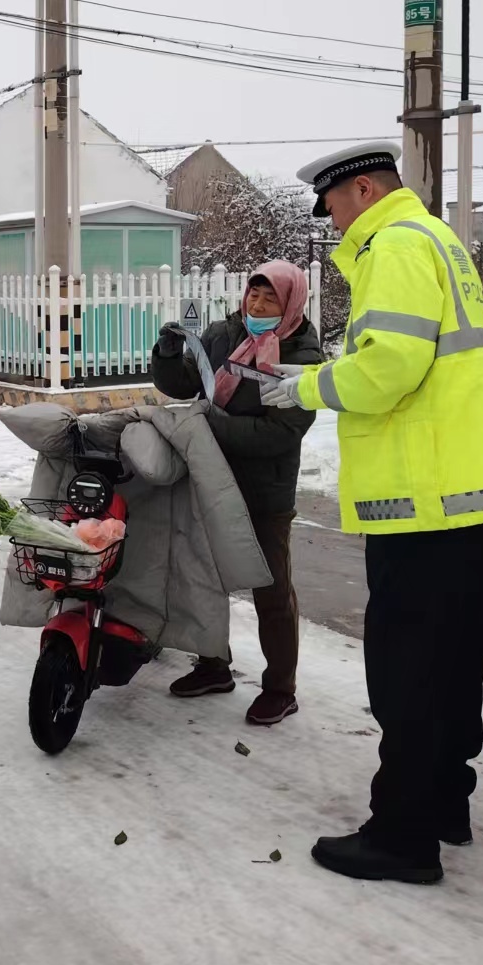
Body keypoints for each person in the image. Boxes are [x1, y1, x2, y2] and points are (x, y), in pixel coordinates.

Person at [262, 140, 483, 885]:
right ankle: (445, 802)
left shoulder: (396, 247)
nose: (335, 224)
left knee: (407, 668)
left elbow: (388, 368)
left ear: (365, 193)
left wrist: (304, 387)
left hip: (424, 498)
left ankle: (402, 836)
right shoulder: (439, 241)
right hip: (466, 489)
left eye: (336, 207)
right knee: (450, 661)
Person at [150, 261, 321, 726]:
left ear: (290, 304)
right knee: (205, 575)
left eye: (270, 299)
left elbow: (280, 433)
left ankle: (280, 688)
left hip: (265, 488)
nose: (257, 305)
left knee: (271, 588)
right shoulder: (225, 333)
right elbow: (187, 381)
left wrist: (214, 422)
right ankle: (212, 664)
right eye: (253, 295)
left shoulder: (302, 357)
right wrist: (167, 355)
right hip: (212, 476)